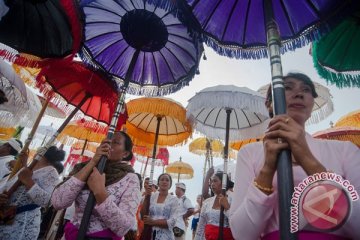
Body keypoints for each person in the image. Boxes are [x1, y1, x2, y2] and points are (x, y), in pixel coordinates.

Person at [229, 72, 360, 239]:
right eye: (287, 88)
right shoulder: (250, 153)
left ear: (312, 105)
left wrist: (307, 158)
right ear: (269, 104)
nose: (299, 93)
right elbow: (242, 234)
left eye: (306, 90)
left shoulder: (344, 150)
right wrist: (267, 170)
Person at [51, 131, 141, 239]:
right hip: (72, 235)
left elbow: (123, 227)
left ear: (125, 153)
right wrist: (93, 162)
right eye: (107, 141)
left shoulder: (130, 178)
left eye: (115, 142)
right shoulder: (82, 168)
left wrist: (100, 192)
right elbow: (58, 202)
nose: (109, 145)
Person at [0, 145, 65, 239]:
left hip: (23, 221)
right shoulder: (29, 167)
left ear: (40, 154)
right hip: (6, 217)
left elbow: (47, 202)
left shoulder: (51, 172)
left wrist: (28, 181)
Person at [195, 171, 234, 240]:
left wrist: (227, 207)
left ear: (223, 183)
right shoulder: (207, 202)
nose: (212, 184)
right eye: (211, 182)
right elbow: (201, 226)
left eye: (215, 181)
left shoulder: (233, 198)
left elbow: (238, 223)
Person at [141, 173, 180, 240]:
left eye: (167, 180)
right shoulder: (151, 196)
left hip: (165, 236)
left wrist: (153, 222)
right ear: (158, 183)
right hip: (149, 234)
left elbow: (172, 221)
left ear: (170, 184)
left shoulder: (174, 200)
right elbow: (143, 215)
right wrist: (147, 196)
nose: (164, 182)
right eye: (162, 180)